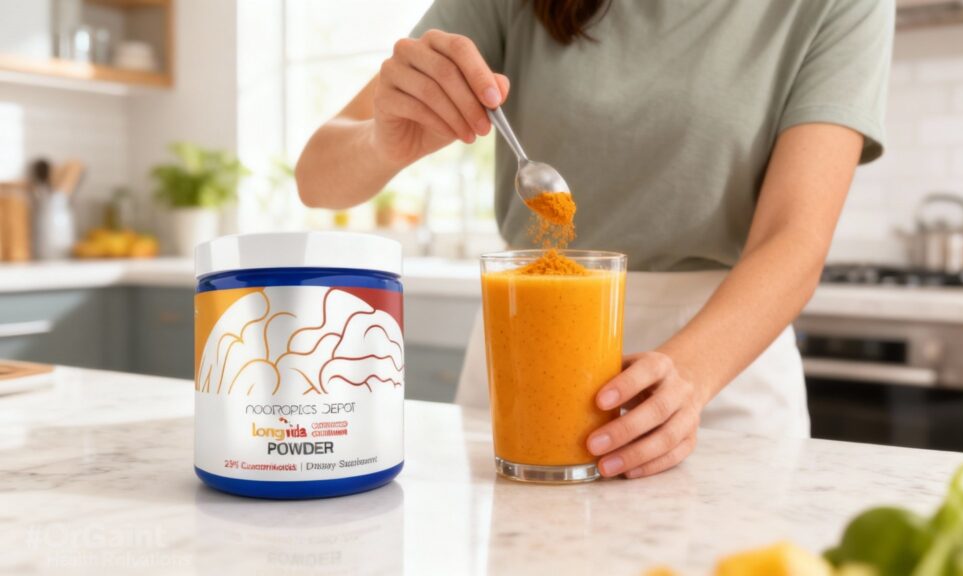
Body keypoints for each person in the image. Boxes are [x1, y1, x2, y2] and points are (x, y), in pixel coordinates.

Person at [296, 0, 894, 480]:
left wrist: (689, 378)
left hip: (717, 369)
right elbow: (316, 177)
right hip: (523, 355)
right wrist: (384, 141)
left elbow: (794, 237)